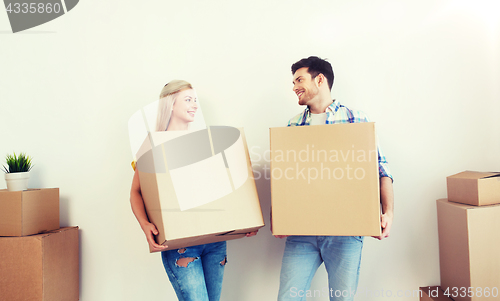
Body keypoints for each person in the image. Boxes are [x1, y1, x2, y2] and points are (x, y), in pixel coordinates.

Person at [275, 57, 394, 301]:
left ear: (320, 79)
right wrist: (277, 215)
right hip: (302, 233)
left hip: (346, 232)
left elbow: (381, 170)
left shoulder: (355, 119)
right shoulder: (293, 125)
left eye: (299, 79)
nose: (294, 86)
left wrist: (388, 213)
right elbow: (283, 178)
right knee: (288, 298)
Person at [130, 80, 257, 301]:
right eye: (188, 99)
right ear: (170, 104)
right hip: (182, 246)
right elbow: (135, 192)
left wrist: (244, 220)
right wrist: (145, 225)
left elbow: (226, 190)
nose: (195, 105)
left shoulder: (207, 143)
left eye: (195, 100)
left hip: (216, 241)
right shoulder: (152, 147)